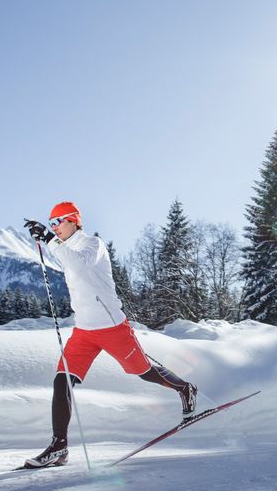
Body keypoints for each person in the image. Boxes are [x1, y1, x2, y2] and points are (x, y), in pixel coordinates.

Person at [23, 201, 197, 468]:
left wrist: (48, 239)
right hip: (84, 331)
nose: (54, 227)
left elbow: (79, 265)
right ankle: (59, 446)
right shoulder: (64, 249)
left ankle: (185, 388)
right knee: (62, 381)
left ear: (74, 221)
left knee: (144, 371)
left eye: (58, 221)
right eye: (51, 223)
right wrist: (47, 241)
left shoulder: (92, 245)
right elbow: (69, 262)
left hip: (111, 327)